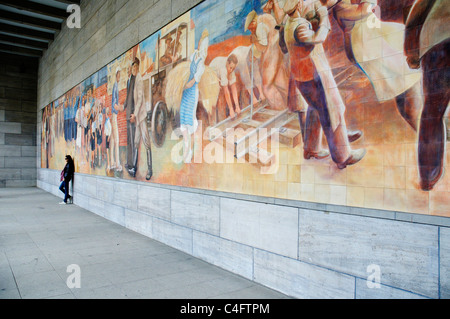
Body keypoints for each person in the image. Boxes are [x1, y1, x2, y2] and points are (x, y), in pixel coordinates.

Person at [282, 0, 366, 168]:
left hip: (303, 78)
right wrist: (324, 19)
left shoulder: (288, 24)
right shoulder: (299, 27)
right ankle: (343, 156)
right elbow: (318, 38)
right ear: (298, 6)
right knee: (331, 110)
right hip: (313, 76)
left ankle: (311, 149)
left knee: (315, 108)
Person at [332, 0, 423, 131]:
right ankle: (425, 128)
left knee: (408, 75)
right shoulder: (340, 7)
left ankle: (427, 123)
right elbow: (365, 10)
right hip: (366, 47)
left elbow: (371, 11)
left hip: (376, 37)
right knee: (406, 77)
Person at [404, 0, 449, 191]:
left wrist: (411, 54)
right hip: (439, 39)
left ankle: (428, 175)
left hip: (437, 41)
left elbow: (416, 14)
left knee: (432, 110)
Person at [179, 29, 208, 163]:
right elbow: (186, 64)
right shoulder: (194, 55)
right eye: (200, 41)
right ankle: (187, 150)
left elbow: (193, 81)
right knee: (183, 118)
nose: (200, 43)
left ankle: (190, 152)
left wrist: (183, 86)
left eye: (202, 42)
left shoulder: (201, 63)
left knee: (189, 119)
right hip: (185, 92)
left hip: (191, 92)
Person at [127, 57, 153, 180]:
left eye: (136, 67)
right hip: (138, 118)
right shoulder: (134, 80)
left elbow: (140, 99)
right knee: (137, 142)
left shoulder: (139, 80)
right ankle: (134, 169)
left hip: (141, 116)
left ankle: (150, 169)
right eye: (133, 67)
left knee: (146, 141)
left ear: (138, 67)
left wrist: (135, 114)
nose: (134, 69)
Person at [209, 54, 241, 121]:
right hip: (210, 76)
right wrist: (231, 109)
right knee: (215, 101)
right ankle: (213, 123)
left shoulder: (230, 67)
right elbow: (226, 91)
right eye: (230, 68)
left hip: (218, 76)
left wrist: (237, 106)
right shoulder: (223, 69)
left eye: (233, 68)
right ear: (227, 63)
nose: (231, 70)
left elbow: (233, 87)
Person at [110, 67, 123, 172]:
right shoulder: (115, 86)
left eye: (120, 75)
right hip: (114, 116)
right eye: (118, 75)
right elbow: (114, 104)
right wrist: (120, 108)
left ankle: (112, 163)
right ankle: (117, 164)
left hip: (113, 116)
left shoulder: (115, 86)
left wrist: (118, 106)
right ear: (116, 75)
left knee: (113, 140)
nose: (119, 77)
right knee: (116, 140)